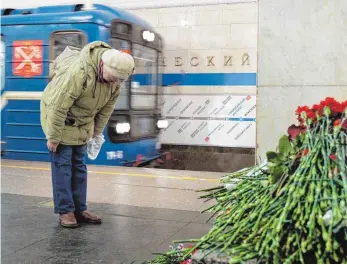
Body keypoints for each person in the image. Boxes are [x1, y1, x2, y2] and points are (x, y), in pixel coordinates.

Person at [40, 41, 135, 228]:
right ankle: (65, 211)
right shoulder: (79, 73)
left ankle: (80, 209)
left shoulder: (115, 81)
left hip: (83, 123)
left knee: (80, 167)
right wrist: (53, 137)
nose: (114, 82)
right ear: (102, 65)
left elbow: (107, 108)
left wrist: (97, 132)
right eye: (112, 77)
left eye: (119, 80)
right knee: (63, 166)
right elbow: (58, 106)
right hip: (60, 119)